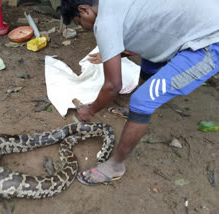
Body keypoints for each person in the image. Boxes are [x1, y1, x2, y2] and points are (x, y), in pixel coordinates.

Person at [61, 0, 219, 185]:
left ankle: (116, 165)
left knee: (141, 101)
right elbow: (141, 29)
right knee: (150, 61)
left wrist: (90, 110)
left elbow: (113, 85)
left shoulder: (104, 23)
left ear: (84, 10)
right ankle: (133, 114)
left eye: (80, 23)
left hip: (209, 42)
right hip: (202, 19)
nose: (84, 27)